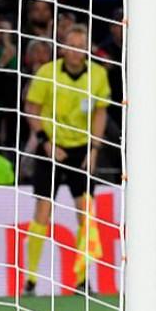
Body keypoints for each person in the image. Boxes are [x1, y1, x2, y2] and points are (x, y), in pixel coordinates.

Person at [23, 26, 111, 295]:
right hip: (50, 146)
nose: (75, 51)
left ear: (87, 49)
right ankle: (30, 280)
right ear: (62, 48)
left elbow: (100, 113)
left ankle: (82, 280)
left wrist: (94, 148)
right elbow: (31, 108)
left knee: (86, 211)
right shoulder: (47, 72)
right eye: (71, 46)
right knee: (43, 209)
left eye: (80, 46)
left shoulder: (98, 74)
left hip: (81, 150)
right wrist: (45, 142)